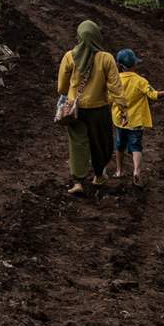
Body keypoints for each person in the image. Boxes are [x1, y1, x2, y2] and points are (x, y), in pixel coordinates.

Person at [56, 19, 123, 195]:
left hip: (74, 109)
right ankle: (99, 175)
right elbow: (116, 87)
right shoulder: (106, 58)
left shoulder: (69, 57)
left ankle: (78, 182)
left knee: (78, 144)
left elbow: (61, 88)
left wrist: (71, 93)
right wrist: (123, 107)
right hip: (99, 109)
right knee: (101, 143)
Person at [108, 49, 164, 187]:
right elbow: (154, 95)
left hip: (119, 120)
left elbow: (108, 99)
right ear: (134, 65)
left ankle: (119, 170)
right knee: (136, 147)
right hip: (136, 121)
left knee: (119, 145)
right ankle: (136, 171)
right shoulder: (140, 81)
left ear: (119, 65)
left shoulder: (115, 81)